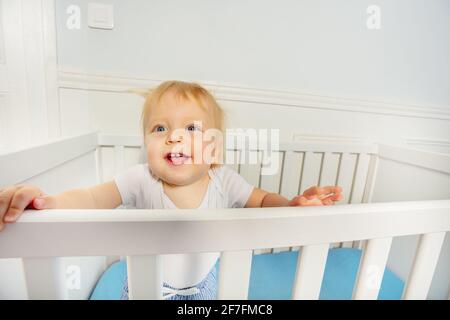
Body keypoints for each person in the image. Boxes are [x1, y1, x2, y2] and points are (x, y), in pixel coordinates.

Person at [0, 80, 343, 299]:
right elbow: (92, 197)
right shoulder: (141, 179)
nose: (174, 136)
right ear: (146, 142)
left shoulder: (224, 180)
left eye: (191, 128)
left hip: (203, 288)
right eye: (160, 127)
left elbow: (265, 200)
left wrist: (292, 205)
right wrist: (47, 202)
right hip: (143, 285)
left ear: (214, 150)